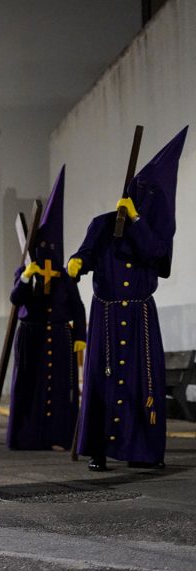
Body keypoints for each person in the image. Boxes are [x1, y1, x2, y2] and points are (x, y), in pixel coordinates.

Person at [69, 128, 187, 471]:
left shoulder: (154, 235)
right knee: (101, 381)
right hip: (105, 315)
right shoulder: (103, 224)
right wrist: (77, 262)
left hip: (140, 319)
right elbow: (86, 253)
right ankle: (98, 449)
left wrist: (135, 221)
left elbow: (157, 258)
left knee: (141, 381)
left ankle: (143, 450)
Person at [7, 168, 86, 451]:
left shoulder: (64, 276)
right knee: (33, 389)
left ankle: (58, 436)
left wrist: (80, 335)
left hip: (60, 338)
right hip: (32, 339)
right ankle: (30, 437)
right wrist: (27, 277)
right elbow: (16, 300)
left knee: (60, 390)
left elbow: (77, 307)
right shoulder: (25, 271)